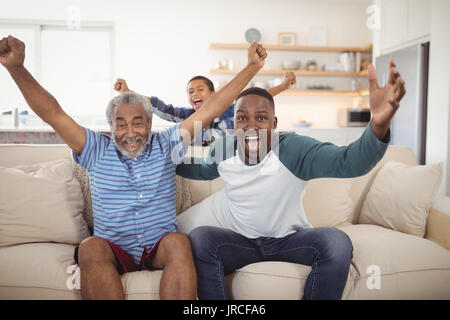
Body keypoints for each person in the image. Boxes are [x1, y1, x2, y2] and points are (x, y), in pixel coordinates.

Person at [0, 35, 267, 300]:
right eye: (121, 124)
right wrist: (17, 68)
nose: (130, 132)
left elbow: (214, 107)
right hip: (114, 248)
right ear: (111, 127)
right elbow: (53, 113)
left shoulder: (168, 144)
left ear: (150, 125)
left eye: (138, 123)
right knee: (90, 247)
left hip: (159, 247)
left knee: (178, 242)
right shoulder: (95, 148)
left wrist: (251, 68)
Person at [175, 60, 406, 300]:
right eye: (242, 119)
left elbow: (348, 161)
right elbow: (200, 171)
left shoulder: (292, 149)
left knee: (337, 242)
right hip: (241, 242)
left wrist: (378, 124)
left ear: (274, 124)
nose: (251, 126)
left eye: (261, 118)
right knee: (202, 238)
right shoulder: (224, 149)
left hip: (289, 241)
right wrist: (157, 157)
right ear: (234, 124)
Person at [113, 72, 296, 145]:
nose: (195, 94)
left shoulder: (231, 111)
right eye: (190, 91)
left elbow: (258, 97)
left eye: (200, 90)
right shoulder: (188, 115)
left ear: (213, 94)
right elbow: (160, 107)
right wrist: (128, 92)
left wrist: (284, 85)